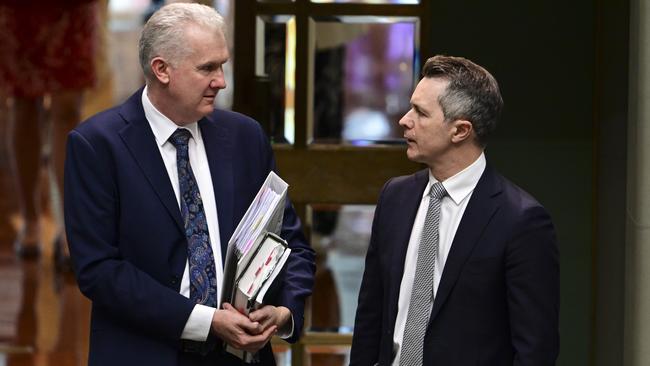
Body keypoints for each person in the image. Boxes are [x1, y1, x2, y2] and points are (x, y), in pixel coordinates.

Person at [63, 3, 315, 366]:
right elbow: (99, 271)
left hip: (239, 356)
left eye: (222, 65)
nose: (222, 81)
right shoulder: (97, 145)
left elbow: (289, 244)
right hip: (145, 353)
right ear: (162, 70)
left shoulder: (245, 138)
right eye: (208, 68)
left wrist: (284, 311)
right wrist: (206, 321)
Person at [350, 55, 559, 366]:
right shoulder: (395, 197)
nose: (404, 120)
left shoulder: (520, 220)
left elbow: (535, 350)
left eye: (420, 113)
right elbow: (371, 314)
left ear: (460, 130)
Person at [0, 1, 97, 260]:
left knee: (68, 108)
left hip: (70, 8)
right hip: (20, 10)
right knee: (23, 103)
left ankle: (69, 226)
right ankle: (30, 218)